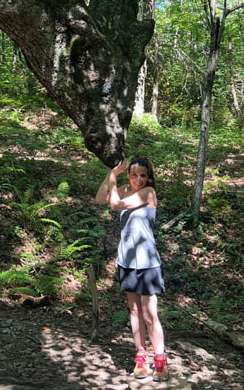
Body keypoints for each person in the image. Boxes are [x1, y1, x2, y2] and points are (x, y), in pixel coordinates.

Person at [94, 156, 169, 382]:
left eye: (143, 175)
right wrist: (112, 175)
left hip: (147, 262)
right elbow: (100, 199)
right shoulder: (125, 188)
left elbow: (115, 205)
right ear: (128, 175)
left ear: (149, 177)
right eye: (134, 174)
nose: (138, 179)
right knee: (135, 312)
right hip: (127, 260)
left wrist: (114, 182)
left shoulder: (148, 193)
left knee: (150, 314)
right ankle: (140, 357)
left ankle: (160, 360)